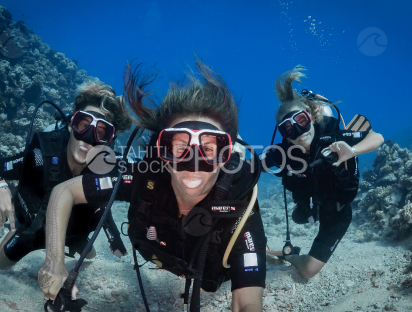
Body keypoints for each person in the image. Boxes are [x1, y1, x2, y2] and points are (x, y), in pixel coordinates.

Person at [38, 60, 266, 312]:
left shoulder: (238, 204)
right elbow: (64, 190)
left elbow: (248, 303)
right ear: (162, 151)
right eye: (180, 147)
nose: (194, 162)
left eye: (209, 149)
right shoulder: (142, 178)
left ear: (226, 154)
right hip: (157, 254)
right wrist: (54, 262)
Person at [0, 81, 131, 270]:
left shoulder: (108, 169)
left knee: (90, 256)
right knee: (1, 264)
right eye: (83, 125)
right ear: (70, 124)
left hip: (75, 235)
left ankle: (78, 243)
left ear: (109, 142)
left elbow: (117, 200)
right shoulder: (42, 156)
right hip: (35, 231)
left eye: (101, 133)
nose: (87, 138)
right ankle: (16, 230)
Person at [263, 66, 384, 279]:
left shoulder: (333, 134)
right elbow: (255, 165)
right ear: (285, 135)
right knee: (300, 217)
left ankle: (291, 257)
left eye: (301, 121)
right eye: (288, 129)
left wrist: (353, 150)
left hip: (338, 212)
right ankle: (283, 254)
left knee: (308, 271)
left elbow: (377, 138)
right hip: (312, 204)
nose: (299, 133)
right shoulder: (285, 152)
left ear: (310, 116)